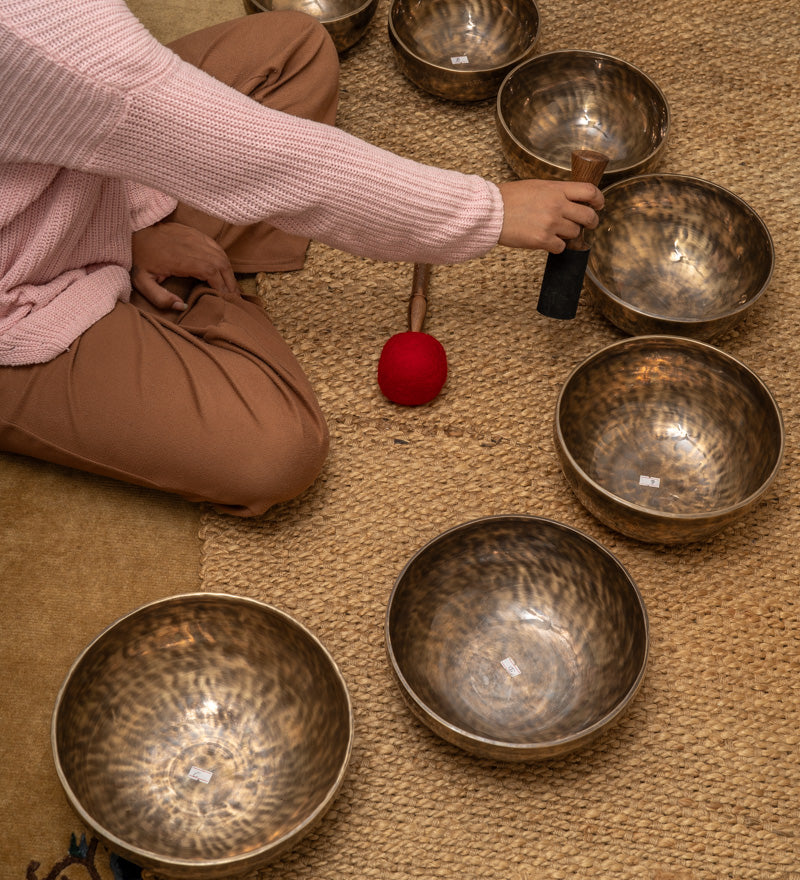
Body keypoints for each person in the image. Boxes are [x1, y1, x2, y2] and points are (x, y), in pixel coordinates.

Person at [0, 0, 603, 517]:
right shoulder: (33, 36)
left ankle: (155, 275)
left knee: (294, 49)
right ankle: (193, 305)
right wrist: (488, 211)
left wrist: (130, 225)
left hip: (60, 189)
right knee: (277, 452)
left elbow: (109, 102)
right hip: (19, 297)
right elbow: (267, 162)